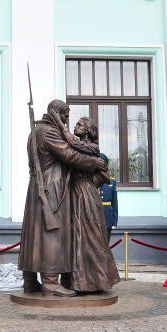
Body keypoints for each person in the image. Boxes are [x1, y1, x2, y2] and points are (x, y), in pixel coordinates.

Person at [18, 100, 106, 297]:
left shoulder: (36, 131)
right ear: (56, 113)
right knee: (52, 236)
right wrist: (94, 163)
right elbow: (70, 156)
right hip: (52, 187)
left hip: (39, 188)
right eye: (65, 114)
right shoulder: (48, 132)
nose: (67, 120)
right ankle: (50, 282)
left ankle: (30, 281)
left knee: (35, 235)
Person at [68, 117, 120, 292]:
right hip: (73, 193)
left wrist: (89, 182)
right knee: (77, 236)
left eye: (79, 124)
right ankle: (79, 280)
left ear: (88, 130)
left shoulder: (91, 148)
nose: (75, 126)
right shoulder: (76, 145)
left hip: (86, 195)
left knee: (90, 235)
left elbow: (104, 174)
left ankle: (96, 280)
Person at [98, 153, 118, 243]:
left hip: (107, 216)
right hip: (95, 215)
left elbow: (114, 202)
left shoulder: (112, 181)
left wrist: (114, 221)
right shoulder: (91, 180)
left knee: (106, 242)